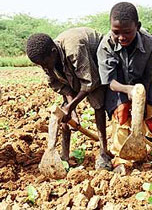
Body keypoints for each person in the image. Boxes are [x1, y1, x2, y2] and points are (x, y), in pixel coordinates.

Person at [97, 2, 152, 166]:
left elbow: (148, 74)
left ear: (137, 27)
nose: (121, 37)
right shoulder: (106, 46)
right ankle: (122, 157)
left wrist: (142, 97)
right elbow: (109, 81)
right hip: (118, 83)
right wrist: (128, 91)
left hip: (144, 80)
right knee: (121, 113)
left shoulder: (151, 44)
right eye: (116, 32)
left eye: (127, 32)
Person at [26, 27, 112, 170]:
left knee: (98, 105)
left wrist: (70, 106)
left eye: (45, 64)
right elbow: (59, 85)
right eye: (40, 65)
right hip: (73, 71)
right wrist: (70, 109)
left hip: (96, 63)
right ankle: (64, 156)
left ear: (53, 52)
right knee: (64, 116)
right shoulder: (47, 60)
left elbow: (90, 81)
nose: (45, 68)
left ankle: (104, 153)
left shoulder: (74, 48)